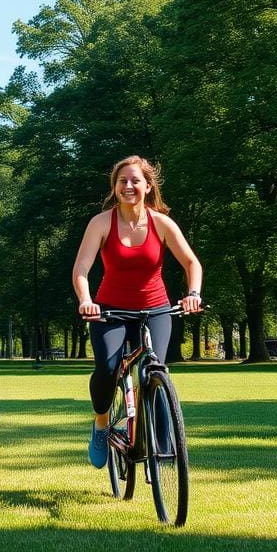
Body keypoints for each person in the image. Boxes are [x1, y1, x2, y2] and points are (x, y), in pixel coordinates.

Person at [72, 155, 203, 469]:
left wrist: (193, 293)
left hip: (155, 309)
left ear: (148, 185)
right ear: (115, 187)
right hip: (110, 311)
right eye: (122, 181)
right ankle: (101, 425)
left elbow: (191, 263)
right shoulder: (102, 223)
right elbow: (81, 268)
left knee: (155, 367)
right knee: (107, 367)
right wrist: (85, 299)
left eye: (135, 180)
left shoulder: (162, 223)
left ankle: (161, 443)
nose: (128, 186)